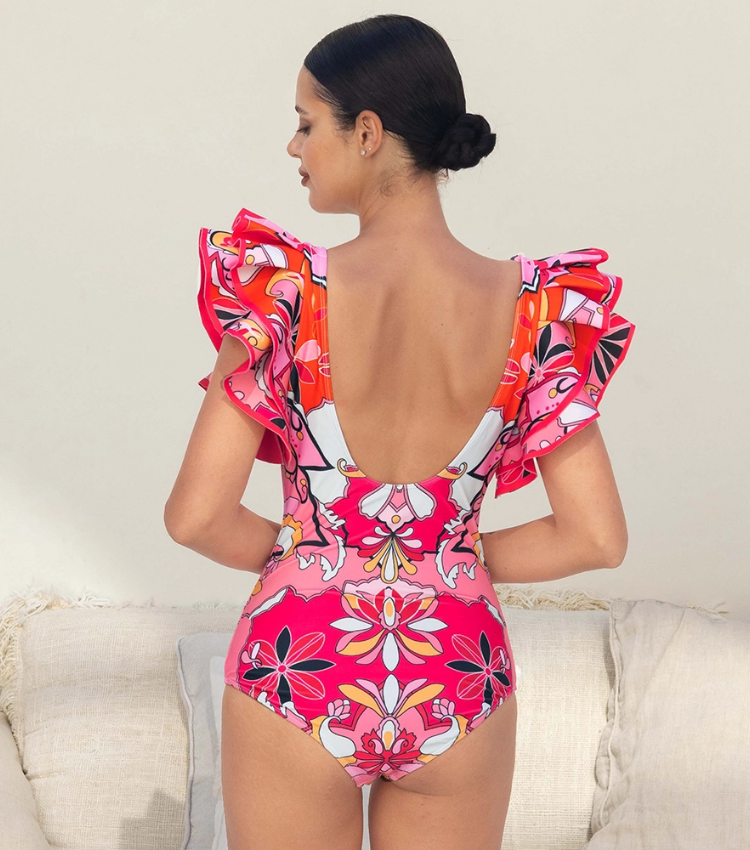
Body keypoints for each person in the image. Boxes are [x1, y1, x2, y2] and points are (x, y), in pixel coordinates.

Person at [165, 13, 636, 850]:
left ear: (368, 133)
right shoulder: (540, 313)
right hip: (457, 666)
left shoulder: (283, 297)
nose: (294, 147)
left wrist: (318, 553)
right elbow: (596, 537)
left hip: (299, 658)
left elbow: (196, 517)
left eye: (307, 124)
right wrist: (441, 555)